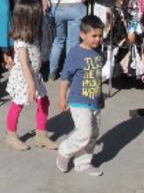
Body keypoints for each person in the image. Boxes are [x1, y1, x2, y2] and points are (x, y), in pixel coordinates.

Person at [56, 15, 106, 176]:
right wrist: (62, 97)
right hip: (79, 100)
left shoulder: (99, 52)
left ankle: (83, 163)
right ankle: (65, 150)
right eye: (94, 36)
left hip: (96, 100)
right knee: (84, 133)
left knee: (93, 134)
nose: (98, 39)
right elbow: (65, 76)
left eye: (100, 35)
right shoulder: (75, 53)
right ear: (83, 35)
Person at [4, 0, 57, 151]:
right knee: (18, 104)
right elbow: (24, 63)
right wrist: (31, 84)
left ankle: (41, 135)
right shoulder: (21, 41)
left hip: (34, 75)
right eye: (37, 17)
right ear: (28, 20)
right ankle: (11, 135)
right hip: (24, 78)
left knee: (44, 102)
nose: (40, 19)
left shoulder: (32, 36)